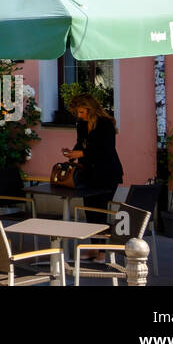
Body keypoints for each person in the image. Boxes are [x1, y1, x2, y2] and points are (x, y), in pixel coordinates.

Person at [62, 94, 124, 260]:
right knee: (90, 212)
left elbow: (106, 150)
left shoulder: (105, 124)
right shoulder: (81, 124)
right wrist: (72, 153)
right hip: (89, 173)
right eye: (77, 113)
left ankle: (102, 252)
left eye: (82, 112)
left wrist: (82, 153)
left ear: (90, 109)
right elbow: (80, 143)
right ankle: (93, 248)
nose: (79, 116)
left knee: (100, 211)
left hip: (107, 174)